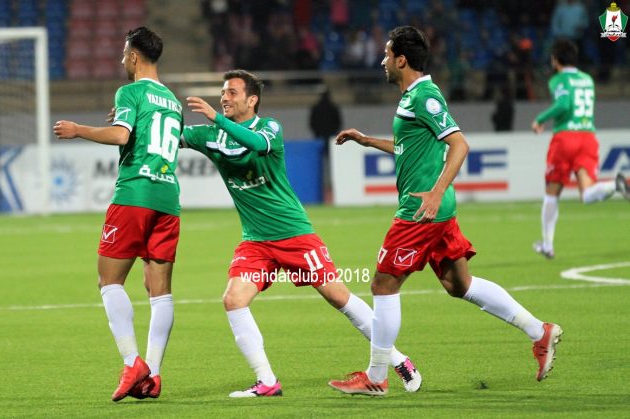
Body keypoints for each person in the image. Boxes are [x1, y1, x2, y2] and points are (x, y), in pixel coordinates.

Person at [328, 26, 563, 397]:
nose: (383, 61)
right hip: (435, 212)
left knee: (383, 285)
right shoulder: (411, 97)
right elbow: (409, 147)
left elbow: (459, 144)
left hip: (420, 211)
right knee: (460, 285)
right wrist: (367, 140)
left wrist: (436, 193)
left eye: (387, 54)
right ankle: (540, 331)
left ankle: (376, 376)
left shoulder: (425, 96)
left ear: (401, 60)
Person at [181, 69, 421, 398]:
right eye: (223, 92)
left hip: (294, 234)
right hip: (256, 242)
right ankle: (266, 381)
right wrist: (134, 123)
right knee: (233, 300)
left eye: (232, 92)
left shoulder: (269, 128)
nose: (224, 98)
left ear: (252, 100)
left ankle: (397, 359)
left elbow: (257, 145)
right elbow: (165, 136)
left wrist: (216, 119)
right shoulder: (209, 135)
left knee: (339, 297)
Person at [53, 27, 182, 402]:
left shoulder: (130, 91)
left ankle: (132, 363)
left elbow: (122, 136)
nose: (122, 60)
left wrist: (78, 129)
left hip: (134, 194)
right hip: (168, 198)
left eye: (124, 54)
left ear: (135, 56)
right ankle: (153, 375)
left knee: (109, 282)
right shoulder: (172, 101)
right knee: (159, 291)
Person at [531, 39, 630, 259]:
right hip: (588, 137)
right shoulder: (587, 79)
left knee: (552, 193)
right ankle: (615, 184)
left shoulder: (557, 79)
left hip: (566, 138)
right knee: (587, 194)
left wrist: (540, 119)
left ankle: (547, 245)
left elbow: (563, 104)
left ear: (555, 59)